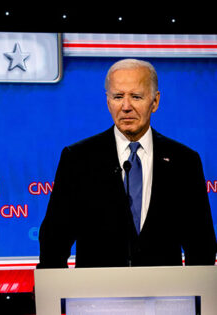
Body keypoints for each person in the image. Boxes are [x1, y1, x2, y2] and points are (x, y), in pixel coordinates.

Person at [37, 58, 216, 268]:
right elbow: (54, 241)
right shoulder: (78, 159)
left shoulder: (184, 161)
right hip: (96, 296)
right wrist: (54, 291)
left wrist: (196, 294)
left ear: (155, 102)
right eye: (118, 96)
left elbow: (201, 245)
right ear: (108, 102)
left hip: (166, 295)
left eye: (136, 96)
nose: (126, 106)